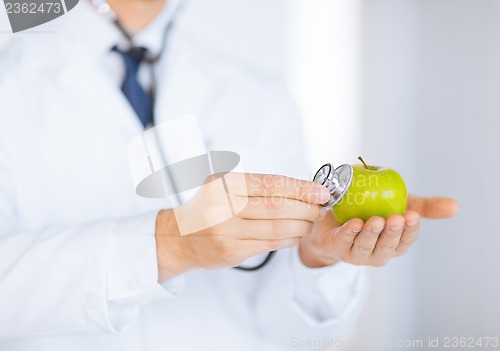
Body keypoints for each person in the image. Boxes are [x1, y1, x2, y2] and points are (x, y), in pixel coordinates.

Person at [0, 0, 458, 350]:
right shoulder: (13, 75)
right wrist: (164, 245)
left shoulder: (258, 95)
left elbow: (286, 328)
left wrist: (315, 257)